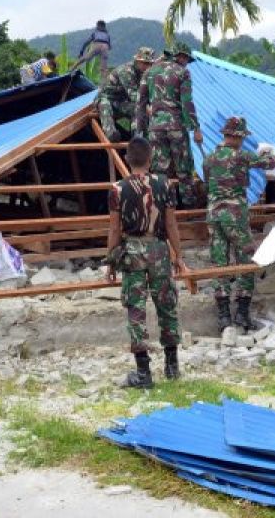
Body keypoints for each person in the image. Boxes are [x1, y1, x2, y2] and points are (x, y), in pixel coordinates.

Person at [105, 136, 190, 388]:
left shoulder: (117, 189)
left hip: (132, 251)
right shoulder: (164, 185)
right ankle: (172, 367)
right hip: (159, 251)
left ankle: (143, 373)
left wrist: (110, 263)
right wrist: (179, 257)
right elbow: (172, 224)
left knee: (136, 308)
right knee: (166, 304)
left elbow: (113, 230)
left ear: (128, 160)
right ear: (150, 158)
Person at [204, 116, 275, 332]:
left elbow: (208, 180)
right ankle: (242, 314)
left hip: (213, 215)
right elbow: (270, 164)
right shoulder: (242, 156)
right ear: (236, 137)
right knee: (246, 260)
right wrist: (268, 153)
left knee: (220, 263)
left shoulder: (209, 157)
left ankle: (224, 317)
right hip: (234, 214)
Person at [136, 41, 204, 208]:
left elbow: (140, 104)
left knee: (160, 172)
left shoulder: (149, 72)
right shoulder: (183, 73)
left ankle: (166, 210)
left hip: (155, 129)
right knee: (184, 171)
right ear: (180, 56)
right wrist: (196, 129)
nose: (187, 62)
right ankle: (188, 211)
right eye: (187, 59)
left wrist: (140, 131)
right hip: (176, 127)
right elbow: (187, 103)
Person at [97, 47, 156, 142]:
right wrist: (147, 106)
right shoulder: (126, 71)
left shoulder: (144, 73)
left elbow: (148, 93)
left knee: (137, 110)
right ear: (137, 61)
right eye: (145, 63)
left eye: (149, 64)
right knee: (105, 104)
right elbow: (133, 94)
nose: (147, 66)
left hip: (121, 101)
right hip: (106, 98)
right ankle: (111, 133)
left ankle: (137, 138)